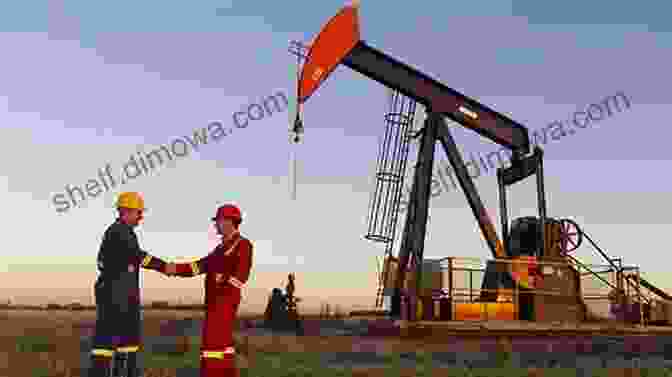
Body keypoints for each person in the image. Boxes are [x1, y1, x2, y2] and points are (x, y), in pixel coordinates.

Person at [88, 192, 172, 377]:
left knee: (126, 345)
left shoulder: (123, 232)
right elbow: (138, 255)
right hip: (116, 298)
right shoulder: (119, 232)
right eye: (138, 212)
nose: (141, 217)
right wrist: (165, 266)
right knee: (109, 345)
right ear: (126, 211)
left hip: (122, 297)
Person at [165, 204, 253, 377]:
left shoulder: (243, 244)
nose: (216, 225)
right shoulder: (219, 249)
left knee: (212, 349)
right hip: (215, 304)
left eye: (218, 221)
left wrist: (222, 287)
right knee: (224, 350)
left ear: (229, 221)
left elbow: (241, 276)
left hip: (223, 305)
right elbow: (198, 267)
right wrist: (173, 268)